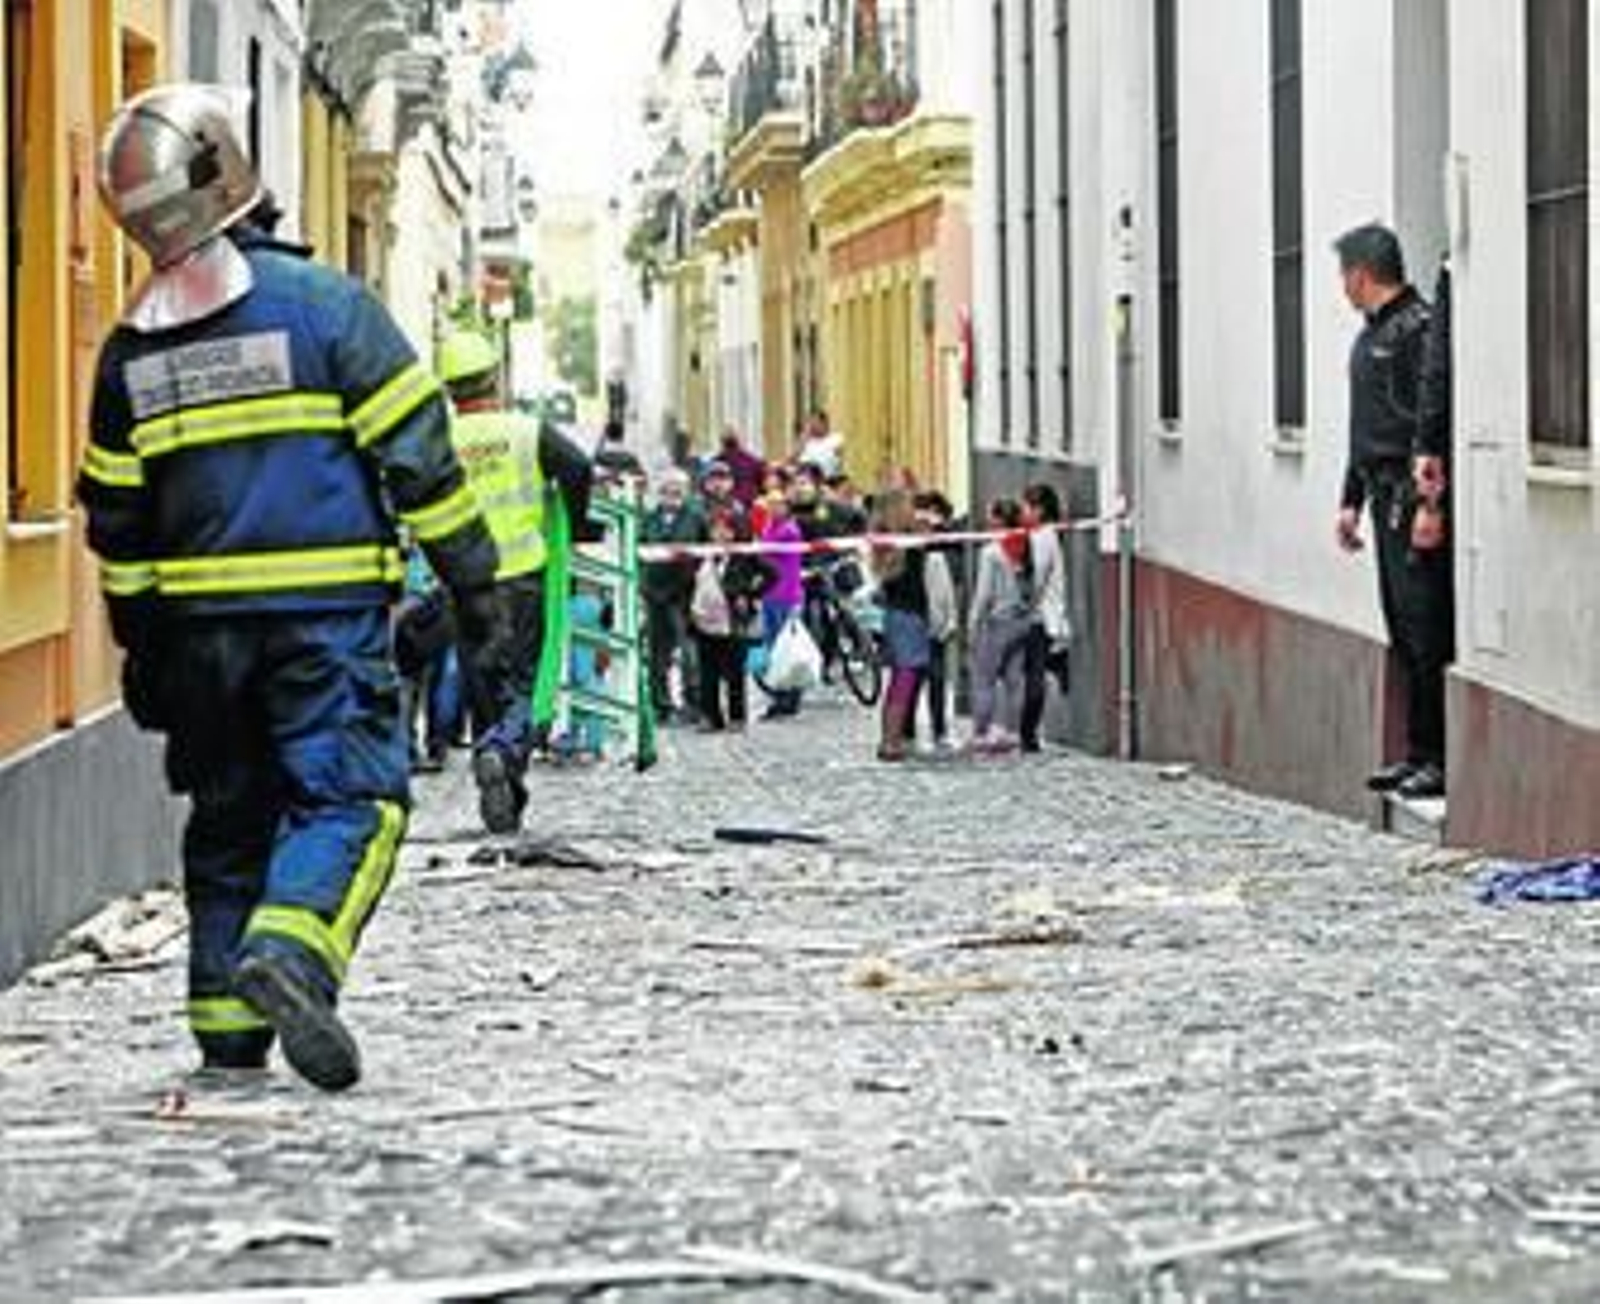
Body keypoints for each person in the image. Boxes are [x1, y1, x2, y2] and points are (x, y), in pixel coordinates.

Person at [77, 85, 502, 1091]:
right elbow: (423, 464)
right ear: (233, 175)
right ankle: (296, 951)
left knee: (228, 820)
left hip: (198, 646)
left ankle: (228, 1029)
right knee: (352, 798)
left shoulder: (131, 351)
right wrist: (478, 591)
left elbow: (118, 525)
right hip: (321, 634)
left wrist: (144, 646)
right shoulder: (328, 311)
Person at [438, 327, 595, 834]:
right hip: (523, 574)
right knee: (524, 685)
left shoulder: (438, 441)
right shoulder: (526, 431)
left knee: (483, 685)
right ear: (494, 379)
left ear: (449, 389)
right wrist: (578, 522)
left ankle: (506, 790)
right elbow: (577, 466)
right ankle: (501, 752)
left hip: (464, 580)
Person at [1333, 224, 1451, 800]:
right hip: (1380, 495)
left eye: (1344, 275)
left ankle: (1438, 756)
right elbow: (1365, 428)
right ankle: (1418, 752)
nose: (1342, 287)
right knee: (1401, 628)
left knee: (1426, 628)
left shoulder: (1417, 330)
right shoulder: (1370, 336)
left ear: (1361, 273)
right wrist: (1349, 500)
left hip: (1412, 499)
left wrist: (1434, 504)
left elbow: (1430, 423)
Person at [690, 510, 774, 731]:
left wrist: (750, 595)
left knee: (734, 672)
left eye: (726, 529)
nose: (720, 534)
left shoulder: (744, 554)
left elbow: (772, 575)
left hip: (732, 623)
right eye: (716, 529)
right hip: (703, 621)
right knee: (707, 672)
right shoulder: (701, 553)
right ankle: (710, 716)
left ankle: (737, 717)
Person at [869, 488, 932, 762]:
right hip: (908, 615)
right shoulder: (905, 541)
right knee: (904, 678)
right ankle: (890, 741)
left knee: (899, 679)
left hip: (897, 614)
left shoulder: (890, 540)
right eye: (908, 504)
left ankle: (889, 739)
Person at [641, 466, 708, 722]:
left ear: (686, 491)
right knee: (658, 652)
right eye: (668, 488)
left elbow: (706, 549)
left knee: (689, 650)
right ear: (660, 491)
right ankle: (660, 704)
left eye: (678, 488)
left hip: (685, 592)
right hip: (655, 592)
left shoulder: (695, 517)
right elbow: (640, 547)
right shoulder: (649, 518)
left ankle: (694, 701)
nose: (672, 493)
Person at [967, 500, 1034, 753]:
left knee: (984, 680)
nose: (986, 520)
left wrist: (973, 622)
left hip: (995, 621)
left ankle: (981, 734)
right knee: (1014, 680)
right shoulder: (1025, 547)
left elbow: (984, 593)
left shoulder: (992, 552)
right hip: (1020, 621)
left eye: (990, 516)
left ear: (998, 520)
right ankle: (1011, 732)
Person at [1019, 483, 1072, 753]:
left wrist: (1026, 605)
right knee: (1033, 672)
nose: (1023, 512)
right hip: (1044, 614)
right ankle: (1058, 663)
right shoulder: (1045, 534)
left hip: (1040, 616)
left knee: (1033, 676)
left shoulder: (1042, 538)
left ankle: (1028, 733)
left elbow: (1038, 577)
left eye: (1026, 507)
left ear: (1039, 510)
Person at [914, 491, 959, 752]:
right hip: (915, 621)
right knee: (915, 678)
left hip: (932, 622)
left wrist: (948, 620)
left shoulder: (943, 548)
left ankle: (938, 728)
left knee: (935, 678)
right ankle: (910, 728)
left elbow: (947, 591)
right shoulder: (907, 546)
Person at [758, 491, 807, 719]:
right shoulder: (770, 525)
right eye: (771, 504)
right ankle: (781, 694)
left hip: (786, 594)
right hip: (771, 593)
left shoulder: (789, 530)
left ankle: (789, 697)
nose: (774, 508)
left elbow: (765, 550)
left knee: (787, 648)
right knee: (775, 647)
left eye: (778, 505)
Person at [718, 426, 767, 507]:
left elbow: (761, 484)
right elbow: (762, 485)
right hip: (742, 503)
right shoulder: (753, 461)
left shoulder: (717, 462)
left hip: (743, 505)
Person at [796, 408, 844, 477]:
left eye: (816, 422)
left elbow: (836, 459)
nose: (814, 426)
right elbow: (796, 457)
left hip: (827, 477)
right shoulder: (807, 441)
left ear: (824, 423)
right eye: (812, 423)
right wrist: (804, 438)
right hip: (806, 476)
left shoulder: (835, 438)